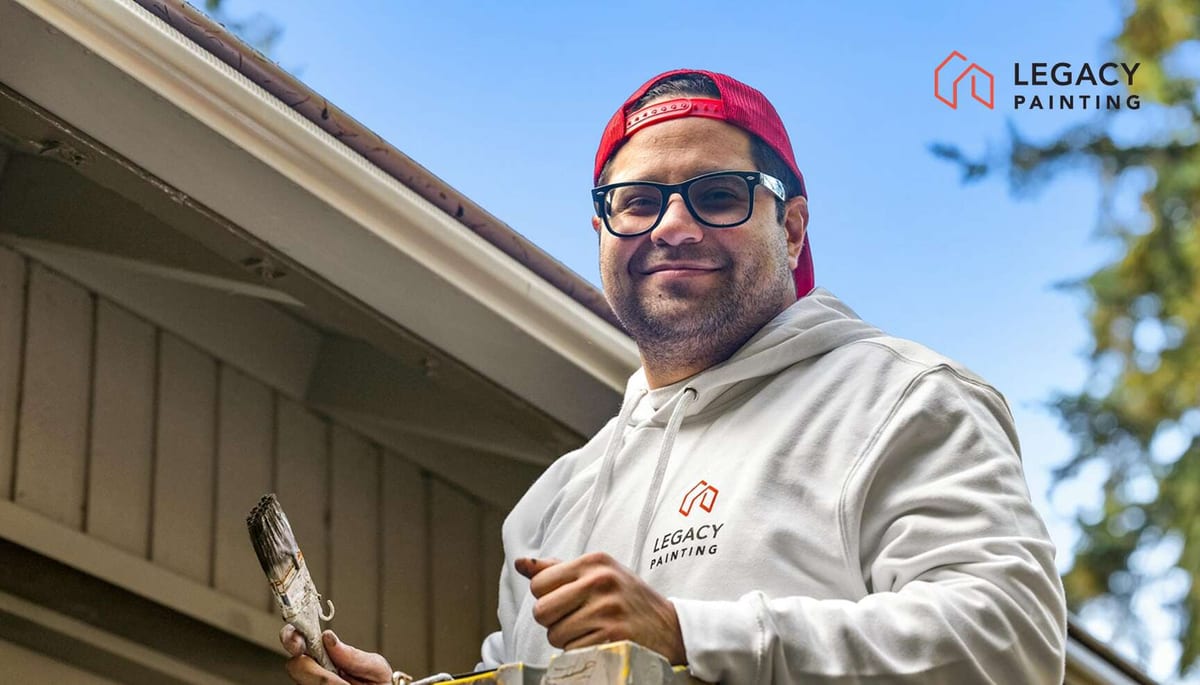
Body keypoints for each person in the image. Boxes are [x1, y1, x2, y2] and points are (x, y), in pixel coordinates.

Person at [283, 69, 1067, 685]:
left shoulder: (898, 399)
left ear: (791, 228)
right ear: (602, 232)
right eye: (638, 202)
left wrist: (691, 633)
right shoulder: (554, 501)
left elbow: (1007, 639)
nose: (673, 226)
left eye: (719, 195)